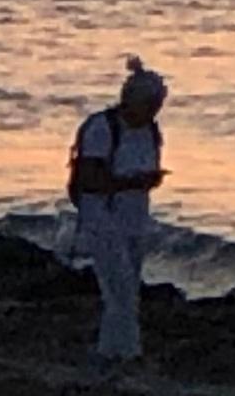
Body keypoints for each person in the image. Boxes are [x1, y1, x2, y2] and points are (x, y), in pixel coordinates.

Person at [66, 59, 170, 362]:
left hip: (135, 219)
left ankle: (111, 350)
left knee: (126, 292)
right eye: (150, 104)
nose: (153, 111)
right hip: (103, 218)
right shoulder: (102, 128)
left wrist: (146, 183)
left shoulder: (151, 131)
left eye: (157, 105)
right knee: (119, 289)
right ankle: (126, 353)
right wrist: (134, 182)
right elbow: (90, 179)